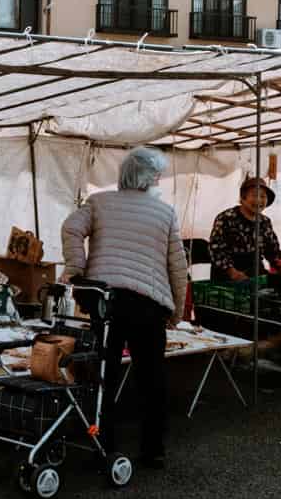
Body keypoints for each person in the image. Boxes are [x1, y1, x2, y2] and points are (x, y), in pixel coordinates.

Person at [60, 145, 189, 469]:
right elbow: (177, 265)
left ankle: (102, 442)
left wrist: (77, 270)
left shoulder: (100, 202)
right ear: (150, 178)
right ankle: (153, 450)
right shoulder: (165, 213)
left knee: (104, 375)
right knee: (152, 379)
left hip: (106, 301)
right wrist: (176, 309)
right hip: (148, 304)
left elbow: (71, 228)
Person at [208, 177, 281, 282]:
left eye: (263, 196)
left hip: (254, 272)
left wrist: (278, 262)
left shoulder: (265, 222)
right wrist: (232, 272)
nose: (259, 200)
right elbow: (216, 249)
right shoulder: (226, 218)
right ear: (243, 198)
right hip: (227, 275)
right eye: (254, 195)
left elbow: (271, 249)